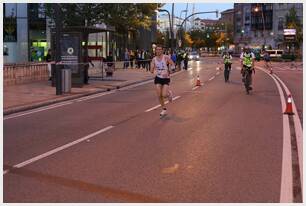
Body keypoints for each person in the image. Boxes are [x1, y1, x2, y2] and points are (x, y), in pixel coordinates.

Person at [150, 45, 175, 117]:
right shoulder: (154, 59)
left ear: (162, 50)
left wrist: (170, 70)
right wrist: (152, 70)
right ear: (155, 51)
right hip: (158, 77)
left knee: (164, 95)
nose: (158, 51)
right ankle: (164, 109)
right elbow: (151, 70)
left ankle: (169, 94)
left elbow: (172, 64)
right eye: (157, 49)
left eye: (160, 49)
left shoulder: (166, 57)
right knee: (159, 95)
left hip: (166, 78)